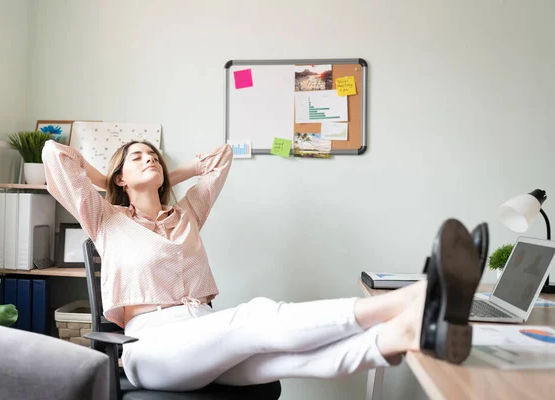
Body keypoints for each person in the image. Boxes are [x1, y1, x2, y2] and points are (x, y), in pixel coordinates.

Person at [42, 139, 483, 392]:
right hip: (153, 347)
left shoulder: (186, 215)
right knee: (255, 316)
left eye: (154, 155)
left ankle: (403, 334)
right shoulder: (107, 220)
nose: (150, 159)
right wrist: (110, 180)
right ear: (120, 177)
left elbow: (222, 157)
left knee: (285, 359)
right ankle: (417, 298)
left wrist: (162, 177)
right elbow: (52, 155)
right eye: (138, 157)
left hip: (206, 329)